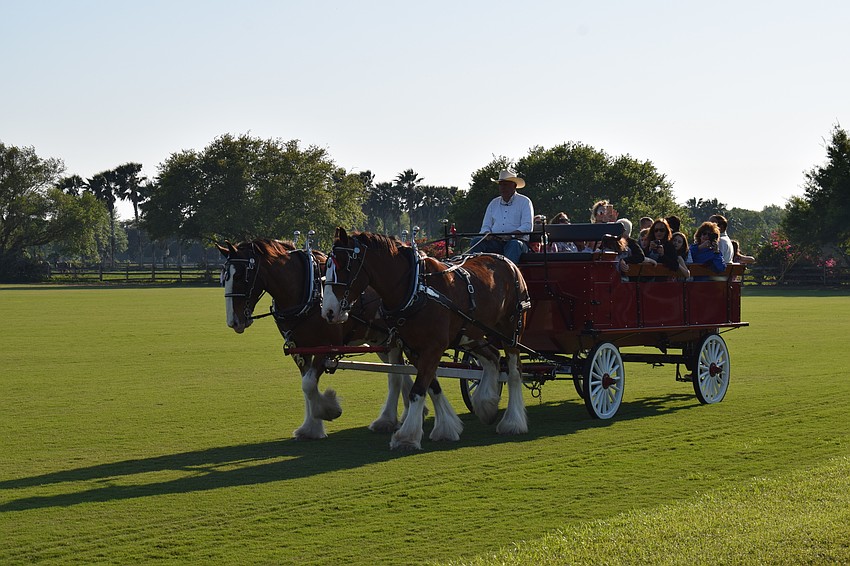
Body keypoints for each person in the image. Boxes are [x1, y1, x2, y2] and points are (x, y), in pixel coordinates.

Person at [470, 169, 534, 264]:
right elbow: (485, 226)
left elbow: (527, 226)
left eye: (506, 184)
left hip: (517, 242)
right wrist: (487, 234)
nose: (502, 187)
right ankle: (476, 273)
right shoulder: (493, 203)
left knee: (514, 245)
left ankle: (507, 276)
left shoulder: (525, 202)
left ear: (514, 186)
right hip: (495, 242)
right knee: (476, 242)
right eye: (500, 184)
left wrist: (510, 236)